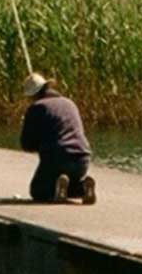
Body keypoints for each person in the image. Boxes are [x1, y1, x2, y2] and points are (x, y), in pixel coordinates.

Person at [19, 72, 96, 204]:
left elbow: (27, 144)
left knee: (38, 191)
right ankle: (82, 188)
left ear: (32, 95)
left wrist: (29, 125)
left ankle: (58, 188)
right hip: (82, 158)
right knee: (68, 181)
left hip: (57, 158)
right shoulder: (69, 103)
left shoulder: (37, 107)